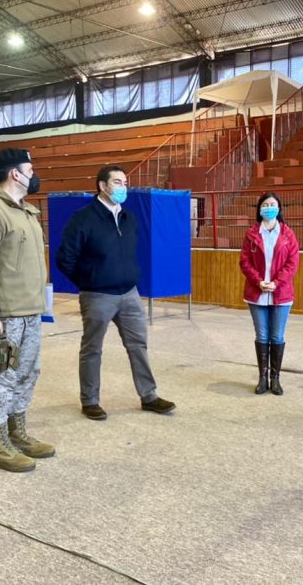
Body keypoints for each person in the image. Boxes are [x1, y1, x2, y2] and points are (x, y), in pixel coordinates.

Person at [55, 165, 176, 420]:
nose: (123, 187)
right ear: (102, 186)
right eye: (118, 182)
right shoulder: (83, 218)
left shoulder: (128, 218)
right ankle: (90, 400)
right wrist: (88, 281)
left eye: (125, 182)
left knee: (138, 345)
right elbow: (64, 258)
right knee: (92, 348)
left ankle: (149, 395)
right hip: (98, 295)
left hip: (129, 294)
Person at [0, 148, 54, 473]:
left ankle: (18, 432)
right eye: (29, 169)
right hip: (6, 315)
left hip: (30, 310)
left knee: (28, 372)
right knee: (4, 375)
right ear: (15, 173)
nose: (34, 174)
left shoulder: (24, 210)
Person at [239, 192, 300, 395]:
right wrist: (258, 281)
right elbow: (244, 262)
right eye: (265, 204)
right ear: (259, 209)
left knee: (277, 336)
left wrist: (276, 283)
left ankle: (276, 378)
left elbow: (292, 263)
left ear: (279, 208)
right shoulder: (251, 234)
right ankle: (262, 378)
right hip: (257, 293)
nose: (269, 207)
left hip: (281, 293)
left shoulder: (288, 235)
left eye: (273, 204)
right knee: (262, 335)